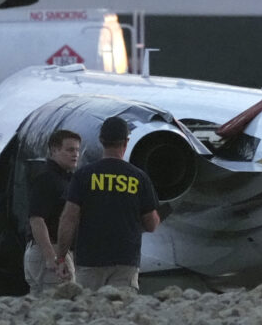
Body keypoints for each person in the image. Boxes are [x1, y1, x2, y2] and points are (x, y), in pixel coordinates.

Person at [56, 116, 160, 291]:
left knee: (89, 312)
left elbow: (69, 219)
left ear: (101, 140)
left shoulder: (84, 175)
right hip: (125, 262)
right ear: (126, 141)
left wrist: (61, 257)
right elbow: (151, 224)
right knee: (119, 312)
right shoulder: (139, 177)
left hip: (91, 261)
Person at [24, 129, 81, 294]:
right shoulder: (47, 178)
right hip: (49, 251)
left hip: (51, 251)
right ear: (54, 150)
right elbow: (36, 219)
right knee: (60, 305)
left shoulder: (64, 179)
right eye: (70, 150)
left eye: (77, 150)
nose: (75, 154)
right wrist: (50, 256)